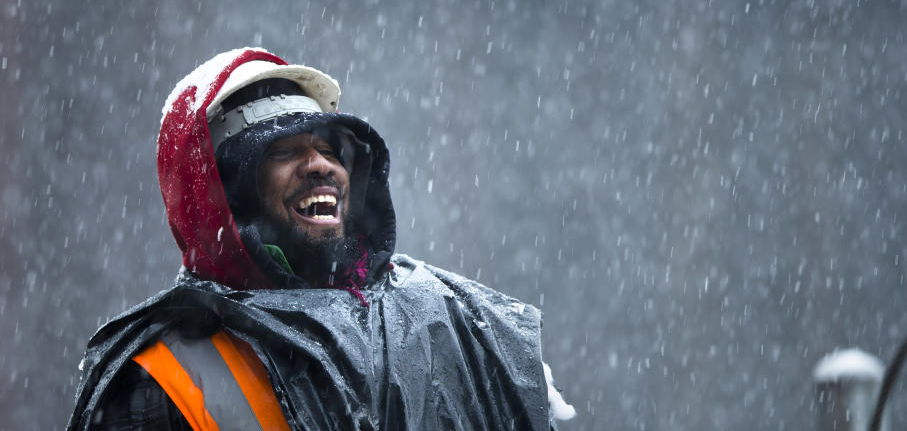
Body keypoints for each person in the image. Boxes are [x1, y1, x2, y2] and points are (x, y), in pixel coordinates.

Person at [67, 47, 574, 430]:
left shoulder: (461, 326)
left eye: (329, 147)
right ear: (222, 194)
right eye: (283, 151)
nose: (322, 166)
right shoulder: (165, 380)